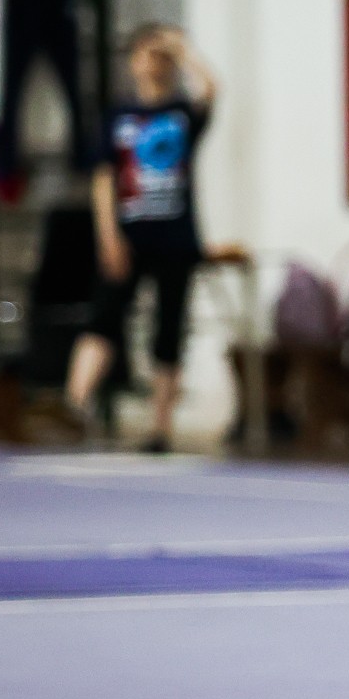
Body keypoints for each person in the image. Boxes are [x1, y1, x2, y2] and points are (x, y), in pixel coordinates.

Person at [65, 24, 217, 453]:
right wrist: (108, 234)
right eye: (145, 53)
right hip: (129, 236)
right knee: (105, 317)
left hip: (175, 238)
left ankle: (160, 427)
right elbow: (103, 178)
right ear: (132, 62)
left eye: (160, 55)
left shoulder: (182, 113)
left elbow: (211, 90)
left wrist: (182, 49)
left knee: (167, 330)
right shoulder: (118, 117)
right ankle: (75, 407)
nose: (152, 62)